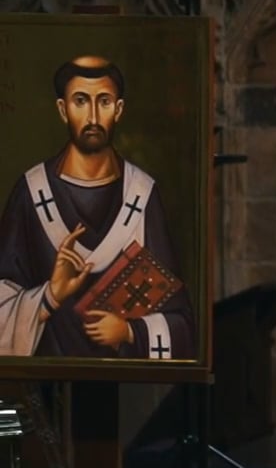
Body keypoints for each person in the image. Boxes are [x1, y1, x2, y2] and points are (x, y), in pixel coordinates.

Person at [0, 55, 195, 360]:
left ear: (118, 110)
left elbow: (181, 324)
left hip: (126, 396)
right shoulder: (30, 193)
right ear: (63, 110)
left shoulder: (141, 195)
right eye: (80, 101)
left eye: (103, 101)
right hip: (47, 390)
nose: (92, 116)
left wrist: (129, 332)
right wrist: (50, 297)